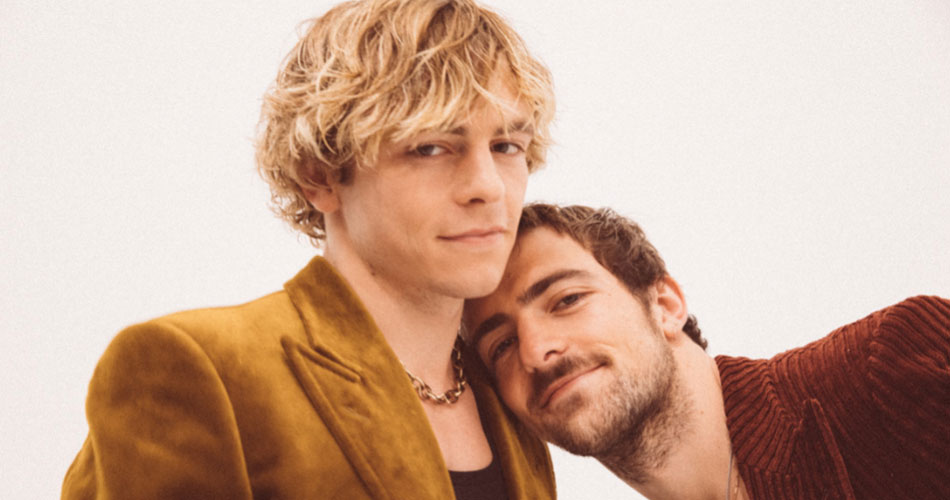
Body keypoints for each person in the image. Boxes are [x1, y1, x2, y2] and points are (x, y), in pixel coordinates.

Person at [62, 1, 557, 498]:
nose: (488, 187)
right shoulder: (198, 369)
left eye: (506, 146)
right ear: (319, 175)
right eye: (430, 147)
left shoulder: (510, 387)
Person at [464, 203, 950, 500]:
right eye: (501, 344)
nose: (535, 351)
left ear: (665, 306)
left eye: (567, 300)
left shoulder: (891, 359)